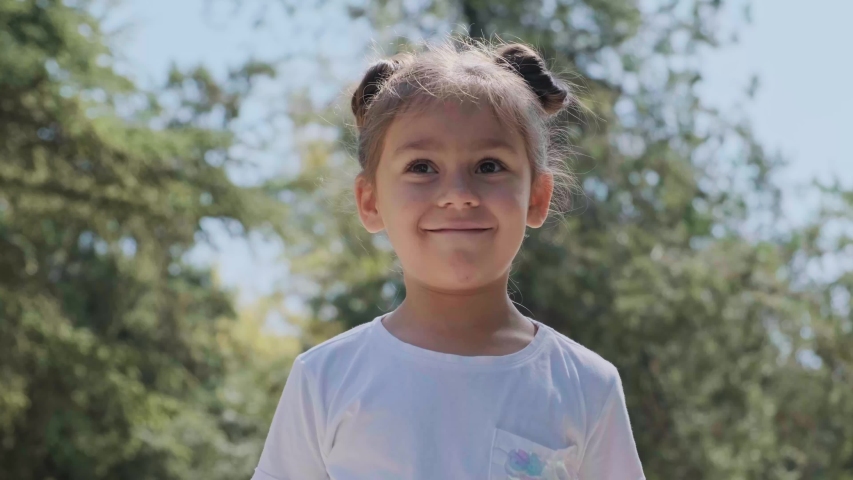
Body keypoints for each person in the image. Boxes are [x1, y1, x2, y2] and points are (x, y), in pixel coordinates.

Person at [251, 38, 645, 480]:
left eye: (489, 166)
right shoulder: (324, 379)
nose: (458, 195)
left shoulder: (586, 385)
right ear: (370, 200)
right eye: (422, 167)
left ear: (537, 197)